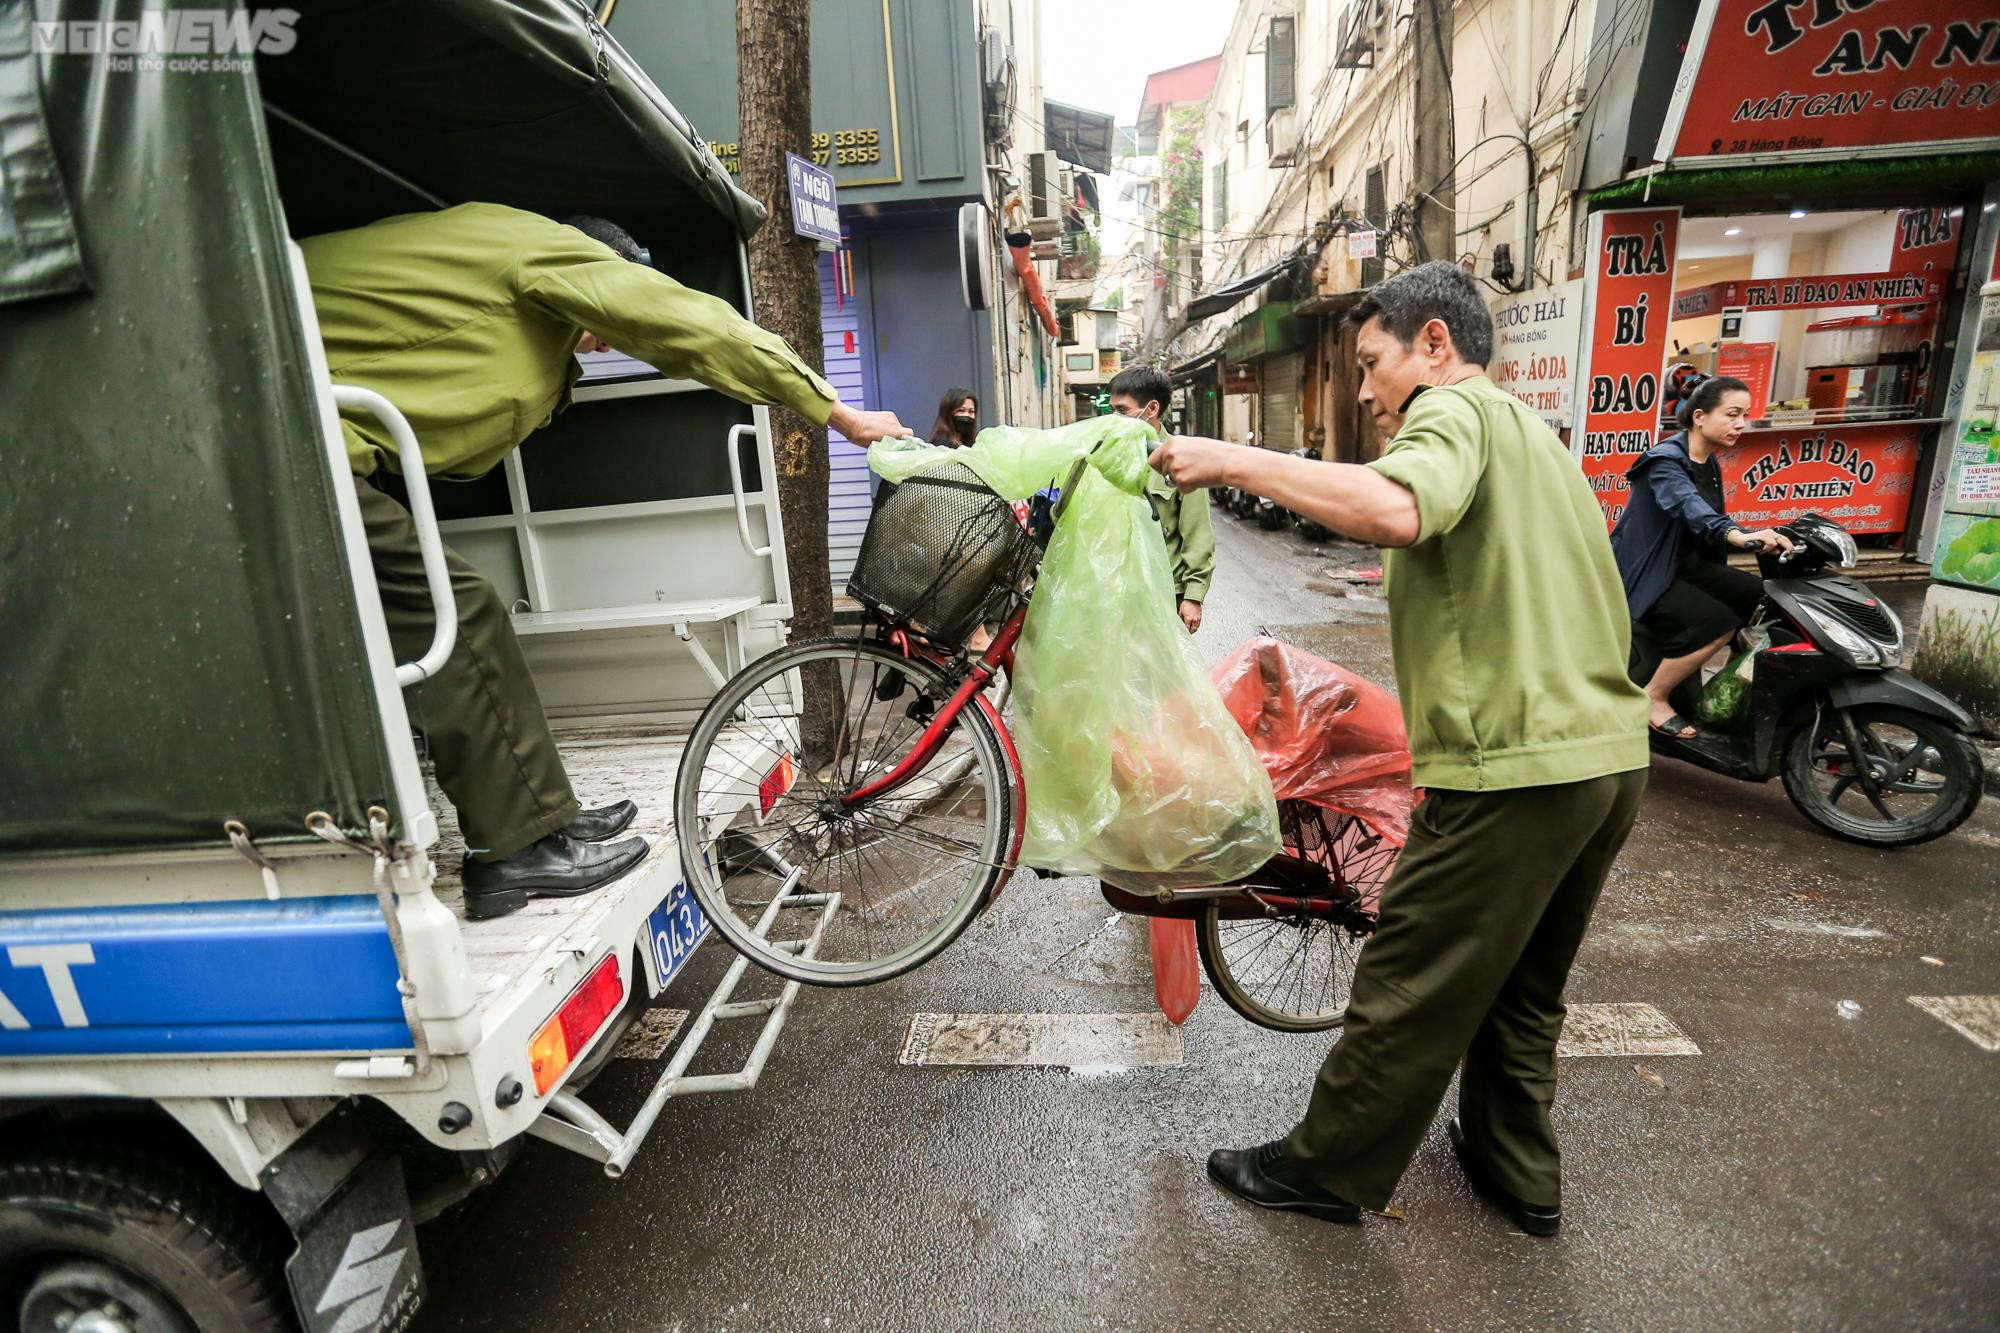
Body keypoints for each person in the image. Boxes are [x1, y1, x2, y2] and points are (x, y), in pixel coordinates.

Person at [1149, 261, 1650, 1234]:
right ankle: (1515, 1167)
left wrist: (1225, 460)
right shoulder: (1535, 442)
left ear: (1433, 344)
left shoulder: (1451, 413)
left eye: (1371, 362)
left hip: (1513, 766)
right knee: (1521, 985)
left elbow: (1394, 508)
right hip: (1605, 760)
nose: (1366, 392)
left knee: (1407, 973)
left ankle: (1326, 1168)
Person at [303, 203, 907, 917]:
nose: (599, 347)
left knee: (466, 606)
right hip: (285, 448)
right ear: (605, 265)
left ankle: (544, 820)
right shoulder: (548, 249)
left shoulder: (489, 248)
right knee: (458, 613)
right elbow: (684, 322)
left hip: (307, 440)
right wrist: (835, 410)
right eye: (602, 323)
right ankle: (514, 853)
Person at [1610, 374, 1796, 738]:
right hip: (1651, 573)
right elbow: (1690, 507)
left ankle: (1733, 685)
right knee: (1716, 622)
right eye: (1731, 414)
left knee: (1765, 597)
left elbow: (1709, 519)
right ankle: (1655, 696)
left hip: (1689, 567)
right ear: (1699, 417)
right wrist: (1738, 536)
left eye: (1744, 415)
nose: (1740, 424)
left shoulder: (1707, 461)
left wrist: (1764, 535)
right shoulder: (1663, 462)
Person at [1110, 367, 1213, 634]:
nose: (1114, 418)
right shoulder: (1110, 458)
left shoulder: (1181, 460)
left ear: (1152, 408)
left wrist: (1193, 596)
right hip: (1119, 588)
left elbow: (1197, 532)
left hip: (1166, 592)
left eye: (1122, 410)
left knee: (1166, 674)